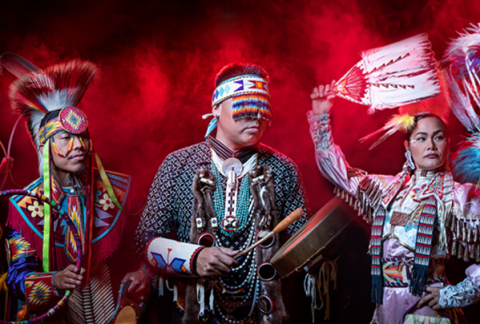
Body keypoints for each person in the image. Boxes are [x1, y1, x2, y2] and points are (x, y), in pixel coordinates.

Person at [129, 63, 308, 324]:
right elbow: (144, 240)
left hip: (263, 315)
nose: (256, 117)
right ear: (216, 107)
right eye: (245, 106)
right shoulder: (178, 164)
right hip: (193, 312)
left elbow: (304, 245)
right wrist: (194, 258)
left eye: (262, 108)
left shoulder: (283, 169)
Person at [308, 81, 480, 324]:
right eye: (421, 138)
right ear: (407, 147)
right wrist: (321, 118)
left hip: (427, 310)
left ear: (447, 144)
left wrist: (455, 294)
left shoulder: (459, 196)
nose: (430, 145)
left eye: (438, 137)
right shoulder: (388, 190)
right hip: (385, 306)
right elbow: (337, 172)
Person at [5, 60, 133, 323]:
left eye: (83, 136)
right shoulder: (25, 205)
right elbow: (16, 278)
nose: (78, 145)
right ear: (45, 145)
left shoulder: (117, 193)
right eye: (65, 138)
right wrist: (54, 280)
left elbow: (138, 254)